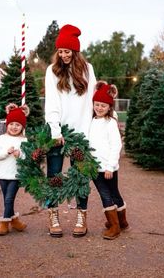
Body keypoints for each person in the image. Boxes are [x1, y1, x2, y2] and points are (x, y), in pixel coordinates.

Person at [45, 24, 96, 238]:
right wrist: (55, 131)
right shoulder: (52, 71)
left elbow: (91, 101)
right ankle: (53, 215)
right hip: (59, 132)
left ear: (75, 51)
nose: (64, 55)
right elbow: (52, 103)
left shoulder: (87, 69)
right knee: (54, 175)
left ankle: (81, 216)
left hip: (81, 133)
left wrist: (88, 132)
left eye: (67, 51)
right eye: (61, 51)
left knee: (80, 177)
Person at [89, 81, 129, 240]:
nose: (99, 108)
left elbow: (116, 145)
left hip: (107, 167)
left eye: (103, 106)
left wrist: (110, 167)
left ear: (109, 107)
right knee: (108, 194)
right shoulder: (91, 121)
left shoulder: (110, 123)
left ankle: (115, 227)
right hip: (94, 167)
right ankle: (121, 221)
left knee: (110, 194)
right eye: (97, 104)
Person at [0, 103, 29, 236]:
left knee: (9, 199)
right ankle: (15, 221)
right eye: (12, 124)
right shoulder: (1, 139)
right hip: (2, 174)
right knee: (6, 198)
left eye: (18, 125)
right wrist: (6, 152)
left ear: (22, 127)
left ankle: (4, 223)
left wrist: (20, 155)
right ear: (7, 124)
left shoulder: (24, 140)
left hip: (16, 175)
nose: (14, 127)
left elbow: (27, 157)